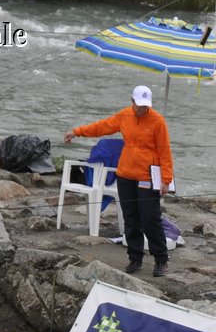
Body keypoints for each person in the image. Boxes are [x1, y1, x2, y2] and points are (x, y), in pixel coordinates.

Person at [64, 85, 175, 278]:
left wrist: (166, 179)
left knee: (150, 219)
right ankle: (135, 257)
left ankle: (161, 260)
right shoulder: (125, 115)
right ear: (132, 101)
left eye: (145, 106)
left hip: (147, 177)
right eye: (139, 105)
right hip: (125, 175)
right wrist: (78, 131)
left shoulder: (158, 121)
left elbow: (165, 151)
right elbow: (103, 127)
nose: (142, 109)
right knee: (130, 218)